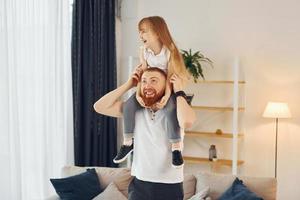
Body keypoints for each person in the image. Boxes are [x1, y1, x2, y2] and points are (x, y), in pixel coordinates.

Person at [94, 67, 196, 200]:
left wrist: (179, 91)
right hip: (139, 185)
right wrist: (129, 84)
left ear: (166, 85)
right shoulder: (134, 111)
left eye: (154, 81)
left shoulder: (176, 110)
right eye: (144, 81)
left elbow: (187, 122)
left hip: (170, 187)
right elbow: (99, 106)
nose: (147, 85)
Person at [114, 16, 189, 168]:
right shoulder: (144, 52)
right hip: (149, 89)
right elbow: (143, 76)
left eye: (144, 32)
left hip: (168, 88)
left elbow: (170, 77)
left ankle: (175, 148)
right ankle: (128, 142)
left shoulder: (170, 52)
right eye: (139, 32)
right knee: (128, 106)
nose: (140, 36)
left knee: (170, 110)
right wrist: (138, 95)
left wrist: (167, 95)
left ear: (157, 32)